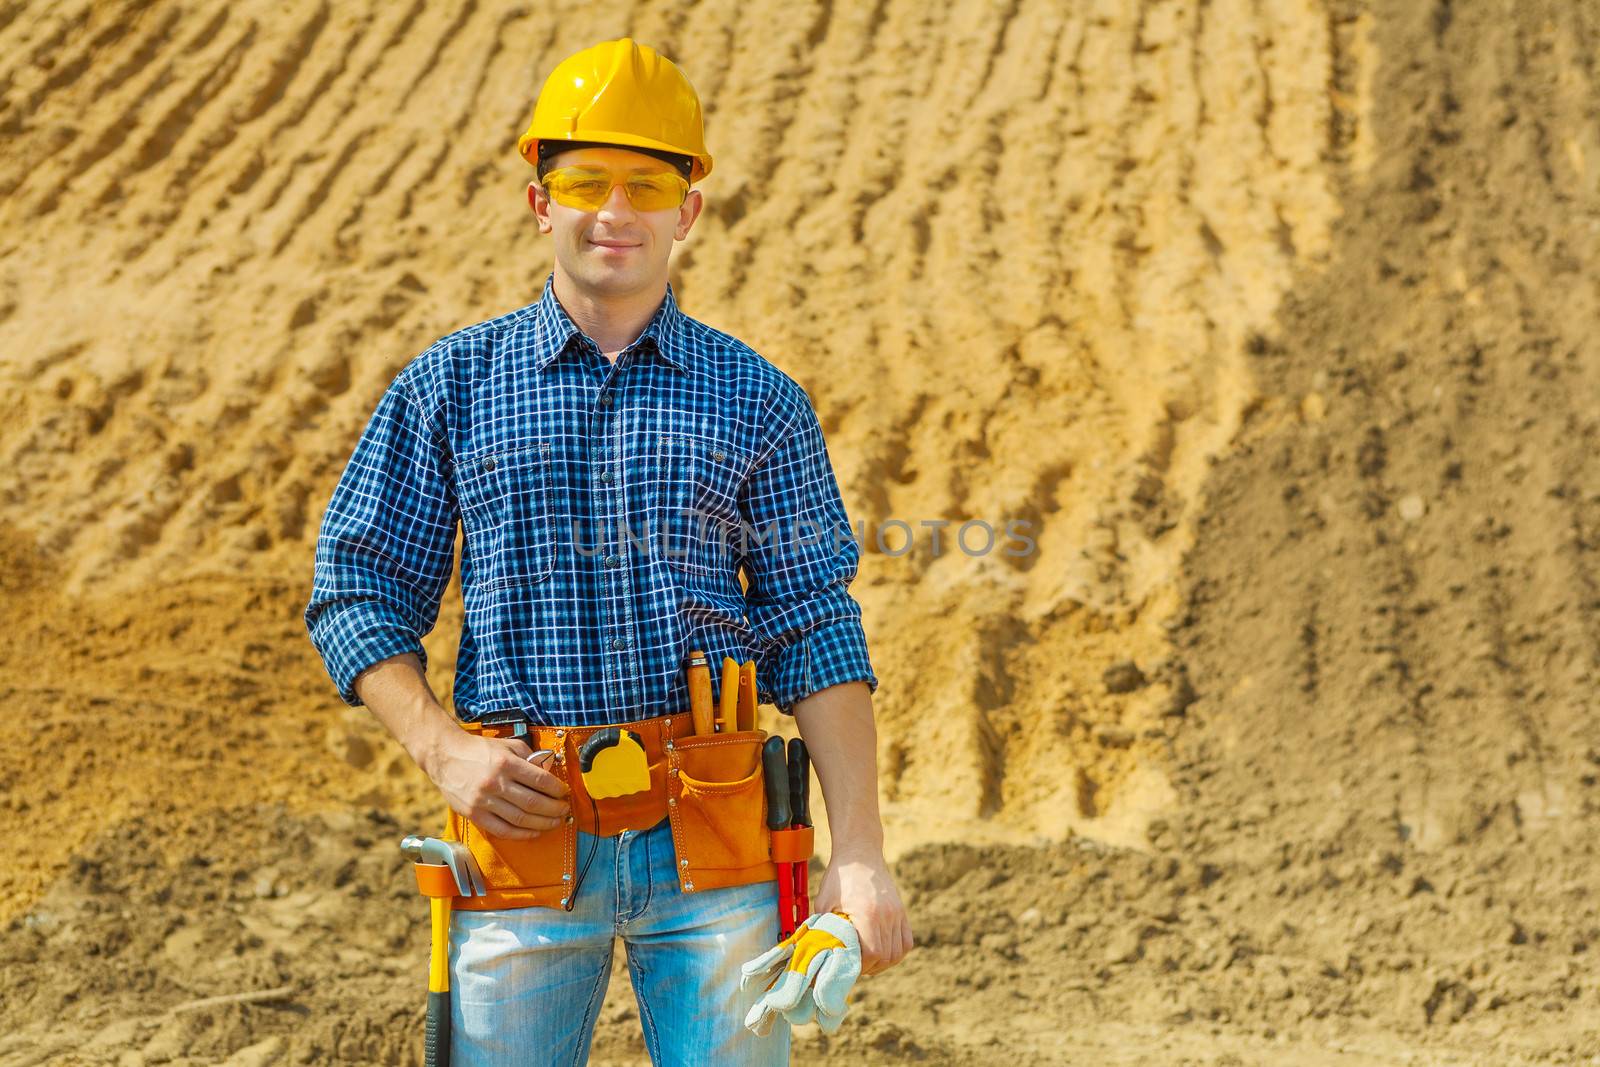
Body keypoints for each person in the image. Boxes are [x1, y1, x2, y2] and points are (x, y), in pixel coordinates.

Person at [303, 37, 911, 1065]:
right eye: (584, 182)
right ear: (541, 200)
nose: (613, 212)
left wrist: (861, 856)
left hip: (718, 849)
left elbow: (813, 620)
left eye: (647, 182)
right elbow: (355, 589)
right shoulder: (449, 386)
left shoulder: (758, 399)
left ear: (688, 208)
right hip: (521, 841)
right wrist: (444, 749)